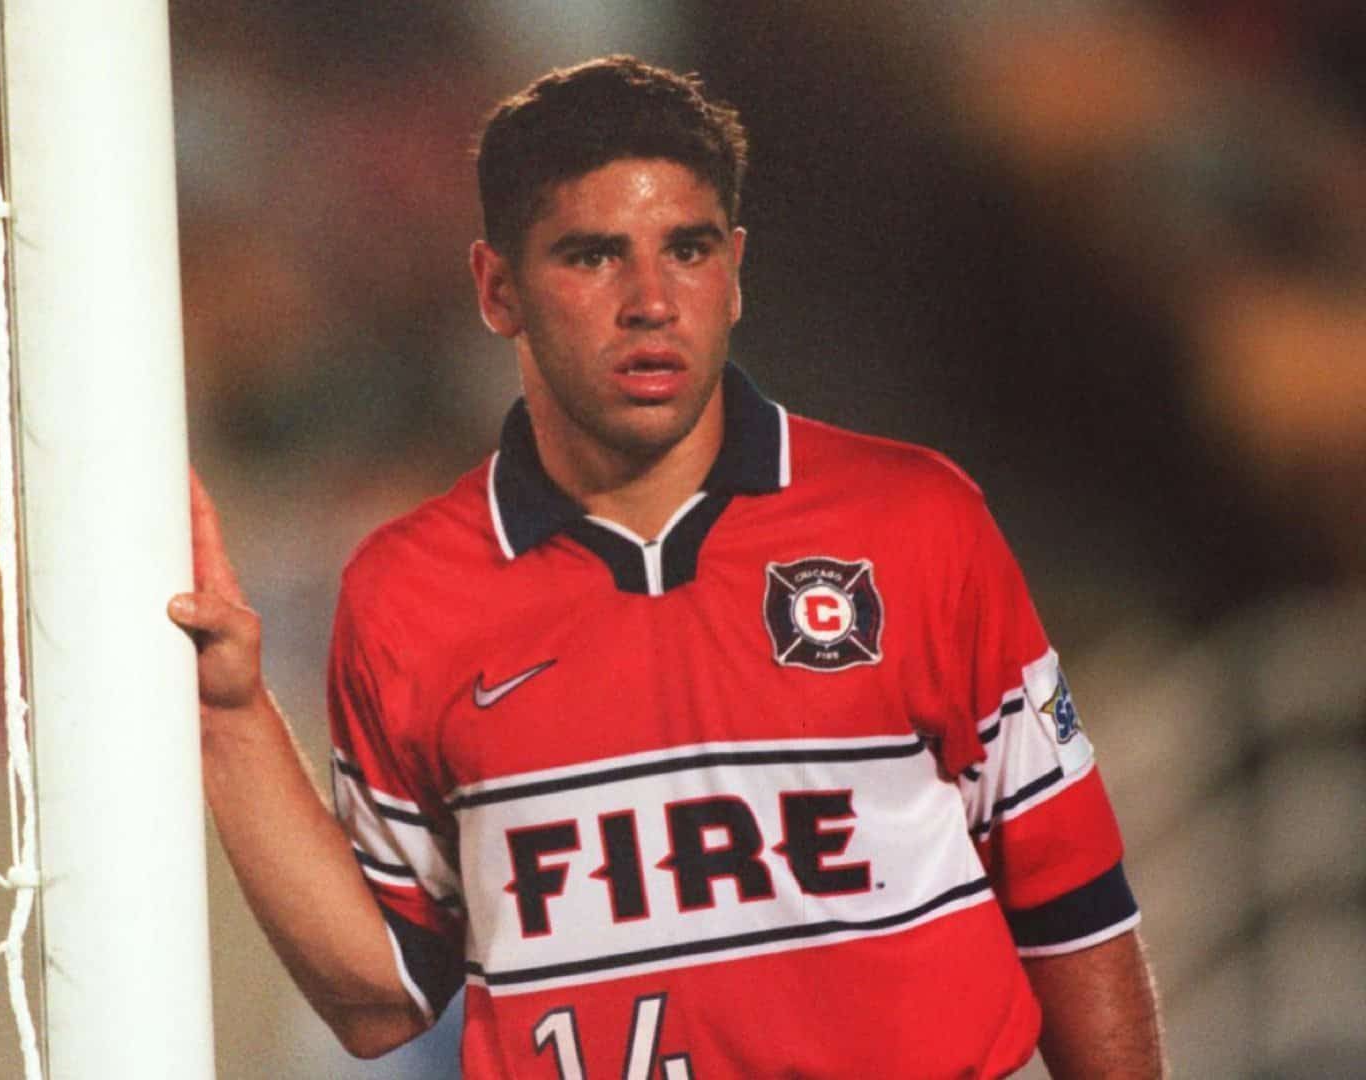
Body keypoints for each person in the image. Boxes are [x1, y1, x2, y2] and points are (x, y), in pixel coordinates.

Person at [169, 55, 1163, 1079]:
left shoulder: (917, 523)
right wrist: (234, 721)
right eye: (594, 257)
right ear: (497, 288)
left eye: (685, 250)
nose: (651, 299)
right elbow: (386, 998)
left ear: (735, 270)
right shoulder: (405, 591)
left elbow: (1071, 901)